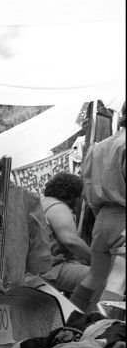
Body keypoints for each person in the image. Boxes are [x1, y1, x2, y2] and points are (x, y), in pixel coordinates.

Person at [70, 106, 127, 312]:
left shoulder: (98, 147)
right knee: (118, 279)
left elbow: (86, 187)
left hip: (102, 217)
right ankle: (102, 331)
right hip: (123, 217)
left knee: (95, 276)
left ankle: (72, 322)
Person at [39, 172, 91, 295]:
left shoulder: (42, 203)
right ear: (73, 196)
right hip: (51, 270)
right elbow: (71, 241)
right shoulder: (58, 207)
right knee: (107, 279)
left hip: (36, 270)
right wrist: (95, 260)